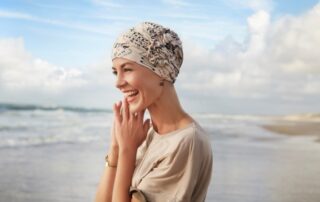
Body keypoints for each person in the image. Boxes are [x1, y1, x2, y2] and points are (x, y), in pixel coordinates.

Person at [95, 22, 213, 202]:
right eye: (115, 72)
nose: (118, 83)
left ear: (161, 70)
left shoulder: (186, 143)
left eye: (127, 69)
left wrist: (127, 150)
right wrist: (116, 148)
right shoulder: (146, 134)